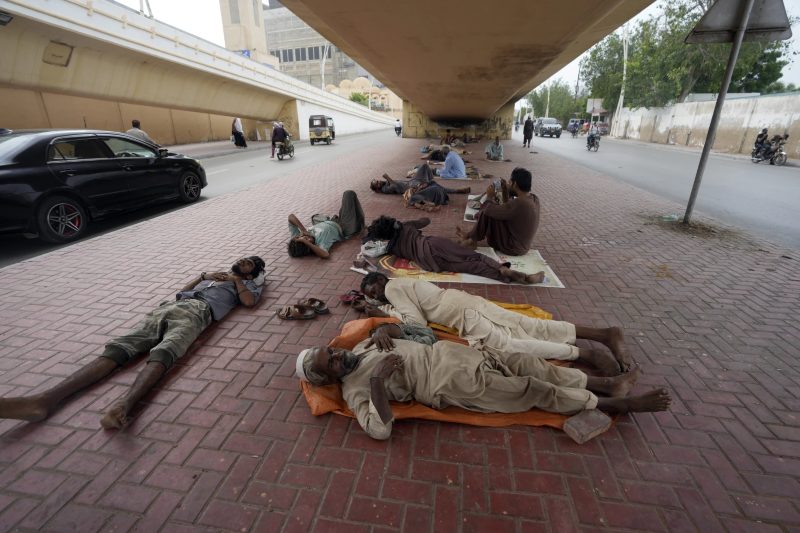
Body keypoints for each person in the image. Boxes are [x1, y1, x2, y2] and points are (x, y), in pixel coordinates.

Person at [0, 257, 266, 428]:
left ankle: (124, 406)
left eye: (250, 264)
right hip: (169, 307)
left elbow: (249, 303)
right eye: (243, 259)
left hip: (198, 313)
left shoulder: (246, 284)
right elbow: (182, 291)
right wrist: (204, 275)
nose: (244, 261)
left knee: (164, 353)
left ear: (252, 273)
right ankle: (43, 400)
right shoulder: (217, 275)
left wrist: (237, 282)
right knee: (117, 349)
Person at [295, 334, 671, 440]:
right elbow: (380, 430)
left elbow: (410, 332)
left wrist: (387, 329)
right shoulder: (356, 390)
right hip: (453, 382)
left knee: (529, 364)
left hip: (458, 353)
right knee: (530, 389)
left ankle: (606, 383)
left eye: (331, 350)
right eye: (331, 362)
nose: (337, 355)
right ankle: (615, 404)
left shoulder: (363, 345)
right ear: (328, 379)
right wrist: (378, 380)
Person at [358, 274, 634, 374]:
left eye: (374, 290)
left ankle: (582, 353)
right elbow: (413, 308)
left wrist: (384, 311)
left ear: (381, 281)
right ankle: (603, 334)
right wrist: (384, 307)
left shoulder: (392, 288)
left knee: (507, 347)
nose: (376, 296)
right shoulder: (400, 284)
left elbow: (416, 322)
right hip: (466, 302)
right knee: (527, 324)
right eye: (372, 296)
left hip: (461, 314)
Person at [363, 215, 544, 284]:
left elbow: (374, 250)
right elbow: (426, 220)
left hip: (428, 263)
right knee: (475, 256)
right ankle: (507, 270)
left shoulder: (392, 248)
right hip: (433, 244)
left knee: (471, 267)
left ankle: (506, 276)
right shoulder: (405, 226)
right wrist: (405, 222)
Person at [456, 167, 539, 255]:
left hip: (513, 247)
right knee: (493, 209)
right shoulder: (533, 198)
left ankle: (472, 241)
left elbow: (489, 210)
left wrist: (489, 196)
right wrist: (505, 191)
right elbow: (507, 208)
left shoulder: (520, 203)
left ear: (515, 184)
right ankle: (470, 236)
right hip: (522, 246)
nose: (508, 184)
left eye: (510, 182)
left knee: (487, 212)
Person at [287, 190, 365, 258]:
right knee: (348, 194)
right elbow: (325, 254)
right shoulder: (320, 244)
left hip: (331, 221)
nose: (308, 238)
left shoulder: (298, 238)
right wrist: (307, 242)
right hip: (343, 227)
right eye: (308, 241)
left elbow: (291, 217)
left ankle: (353, 221)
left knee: (314, 217)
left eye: (305, 238)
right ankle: (359, 223)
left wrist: (303, 230)